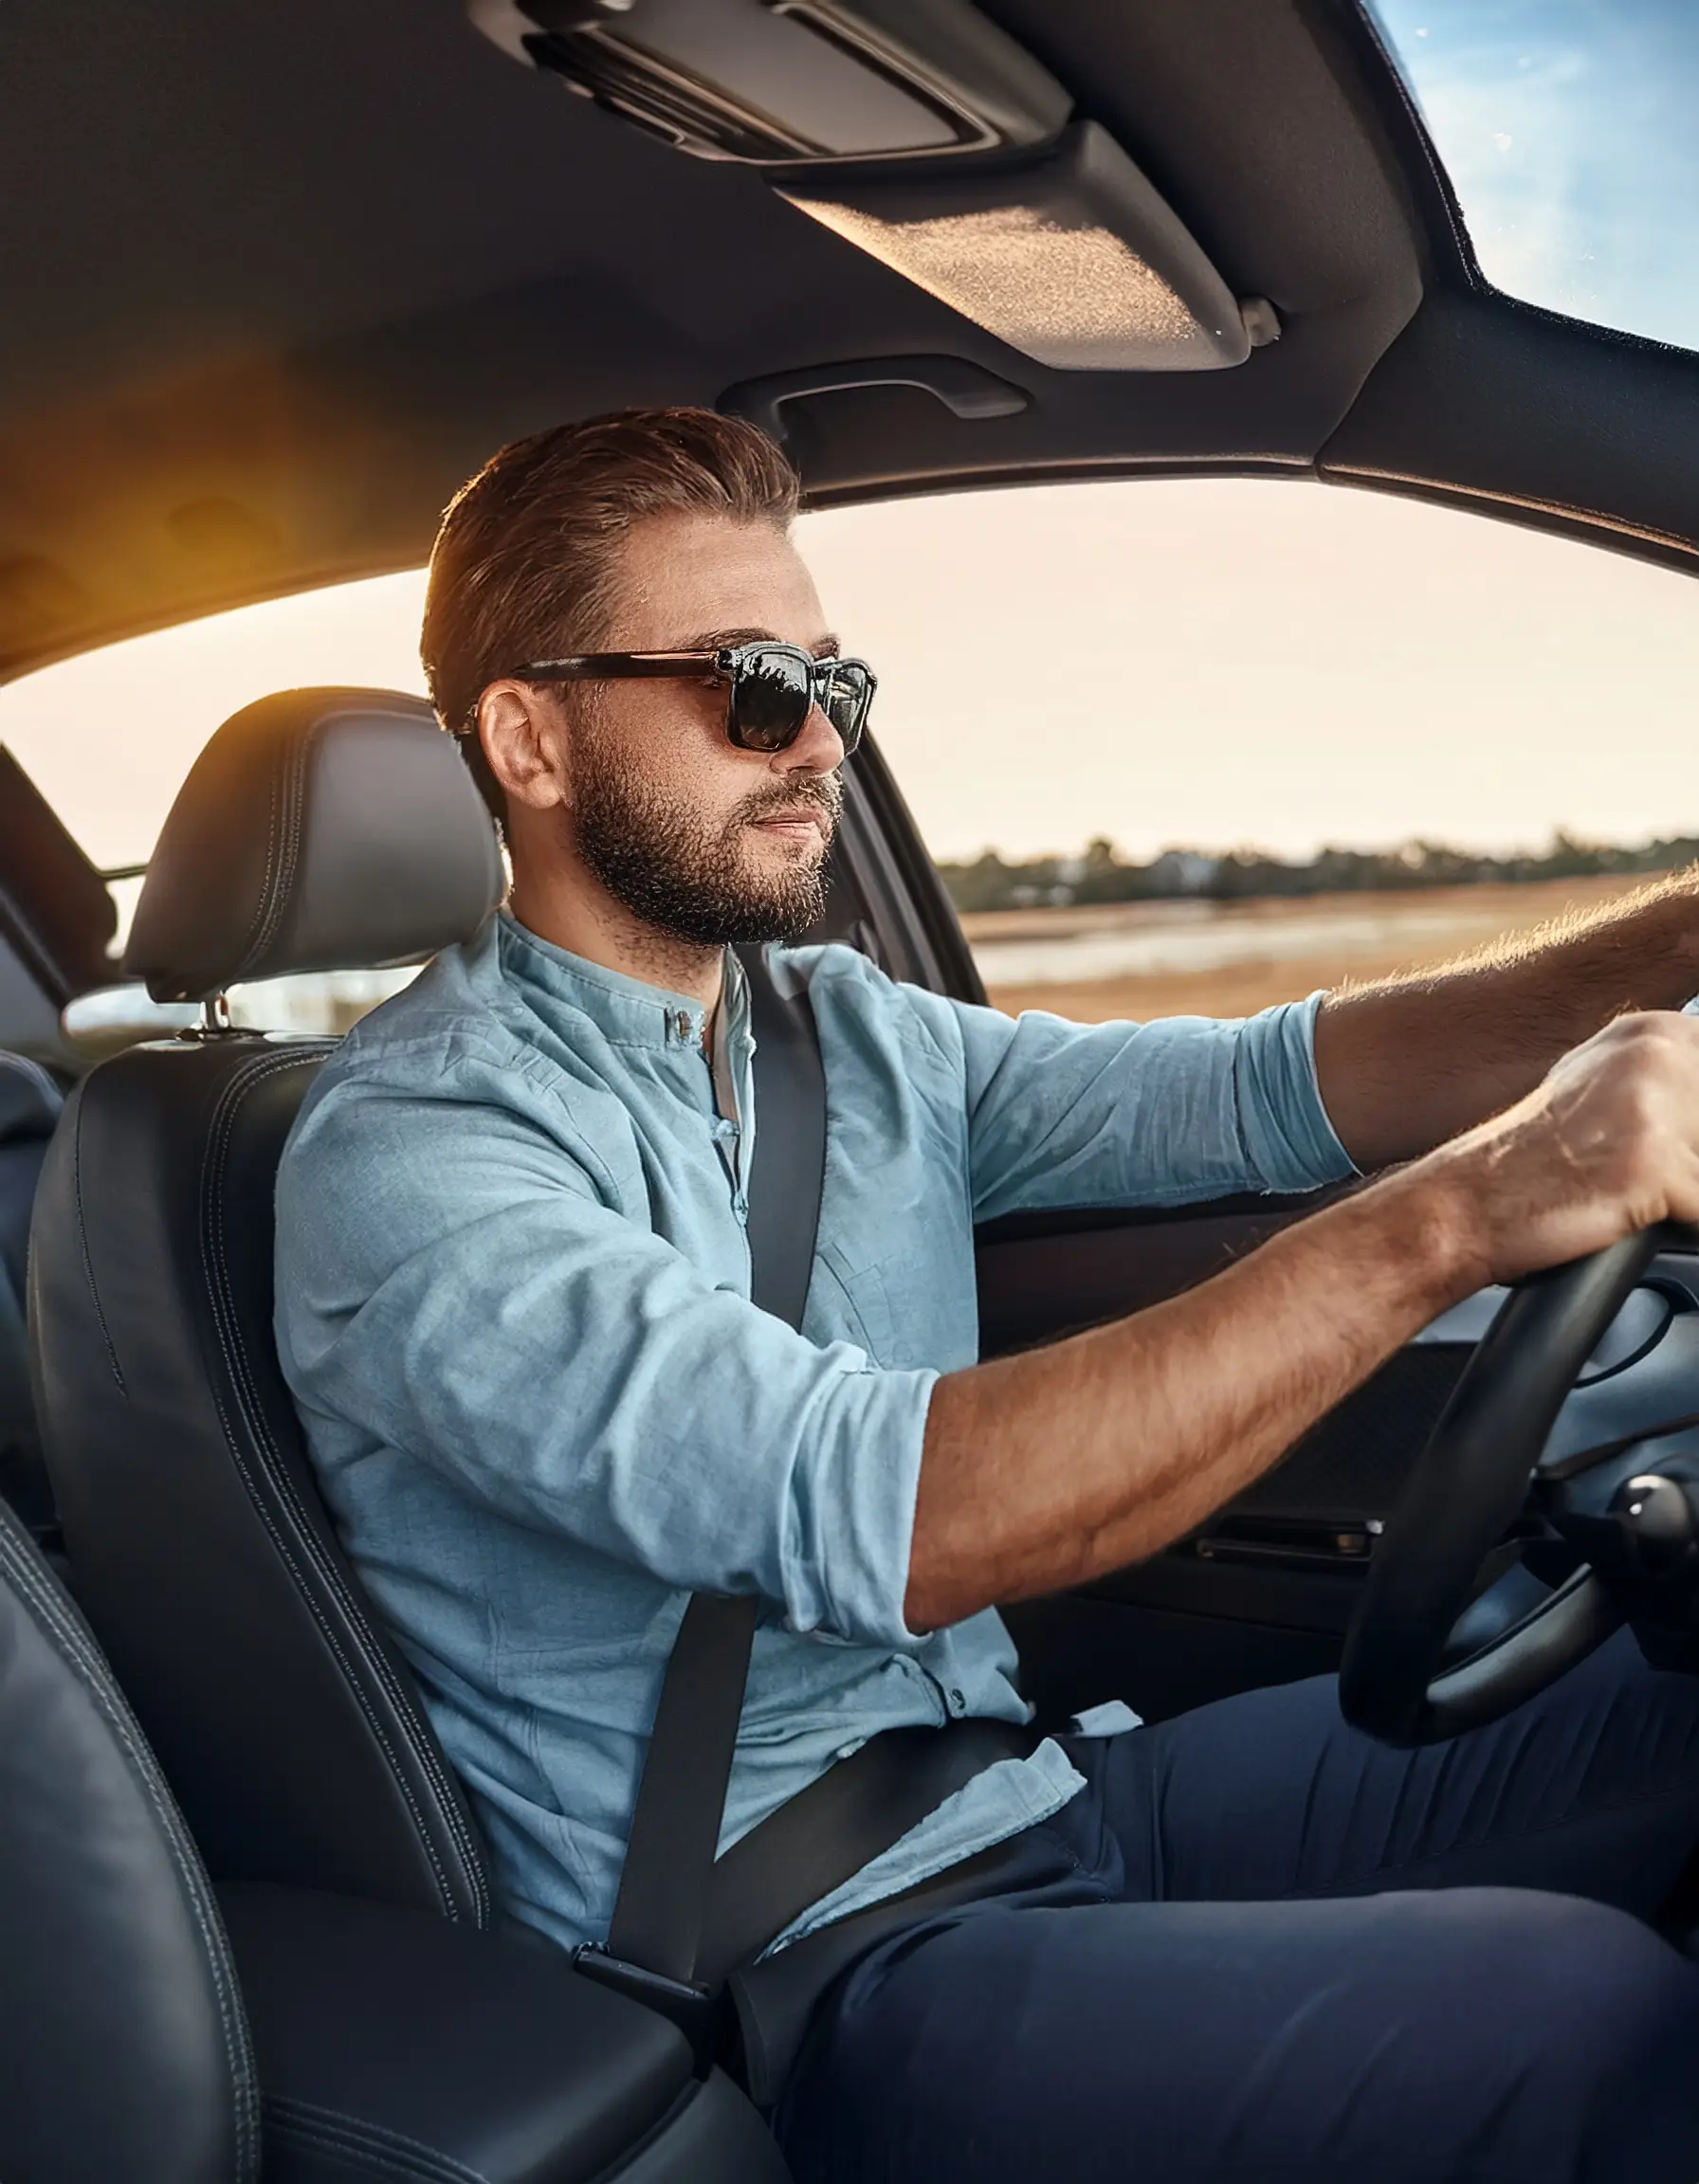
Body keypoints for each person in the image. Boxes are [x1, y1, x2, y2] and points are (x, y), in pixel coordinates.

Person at [274, 407, 1699, 2183]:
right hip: (811, 1964)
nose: (818, 743)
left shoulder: (839, 1036)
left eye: (837, 683)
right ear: (531, 736)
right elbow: (893, 1513)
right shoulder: (413, 1154)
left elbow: (1277, 1087)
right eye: (752, 683)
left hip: (1039, 1792)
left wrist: (1680, 943)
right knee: (1574, 2018)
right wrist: (1469, 1210)